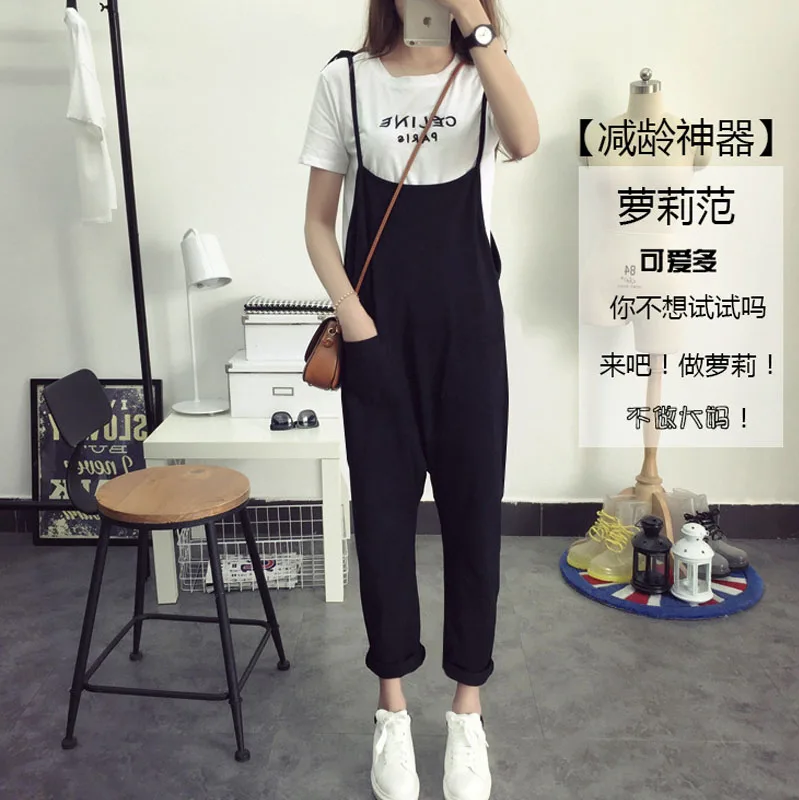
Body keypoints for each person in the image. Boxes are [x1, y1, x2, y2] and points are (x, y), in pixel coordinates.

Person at [300, 1, 538, 798]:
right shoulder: (347, 82)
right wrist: (355, 319)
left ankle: (467, 713)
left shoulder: (484, 77)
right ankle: (392, 711)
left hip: (470, 338)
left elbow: (527, 140)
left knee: (473, 525)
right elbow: (318, 224)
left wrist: (479, 30)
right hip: (376, 339)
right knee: (381, 524)